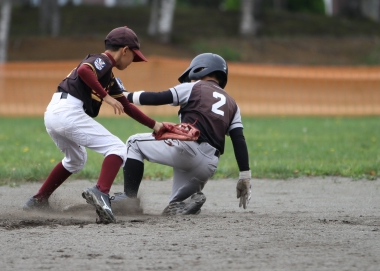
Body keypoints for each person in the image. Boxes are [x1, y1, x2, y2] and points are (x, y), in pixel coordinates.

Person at [24, 26, 163, 223]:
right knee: (117, 148)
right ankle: (101, 192)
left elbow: (126, 106)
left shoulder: (108, 76)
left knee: (76, 159)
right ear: (125, 50)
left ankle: (38, 199)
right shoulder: (103, 60)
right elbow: (84, 70)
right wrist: (105, 97)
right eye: (134, 56)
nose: (133, 61)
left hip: (55, 113)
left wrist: (155, 125)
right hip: (68, 111)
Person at [114, 53, 251, 215]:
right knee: (175, 206)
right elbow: (238, 140)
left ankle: (129, 199)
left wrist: (125, 95)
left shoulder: (194, 87)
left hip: (188, 150)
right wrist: (245, 176)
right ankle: (184, 202)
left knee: (134, 143)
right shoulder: (233, 105)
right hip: (209, 165)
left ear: (200, 69)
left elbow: (157, 98)